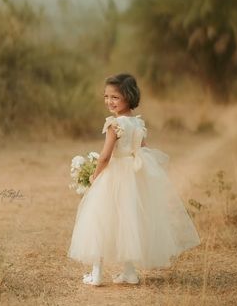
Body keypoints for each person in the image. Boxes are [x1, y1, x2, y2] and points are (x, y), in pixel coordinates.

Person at [67, 73, 201, 286]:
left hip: (114, 174)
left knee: (101, 219)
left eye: (115, 97)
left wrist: (94, 176)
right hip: (132, 175)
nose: (109, 102)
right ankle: (129, 272)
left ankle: (97, 274)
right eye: (106, 96)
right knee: (128, 220)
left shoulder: (114, 124)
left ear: (128, 97)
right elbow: (143, 148)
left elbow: (105, 156)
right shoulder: (137, 123)